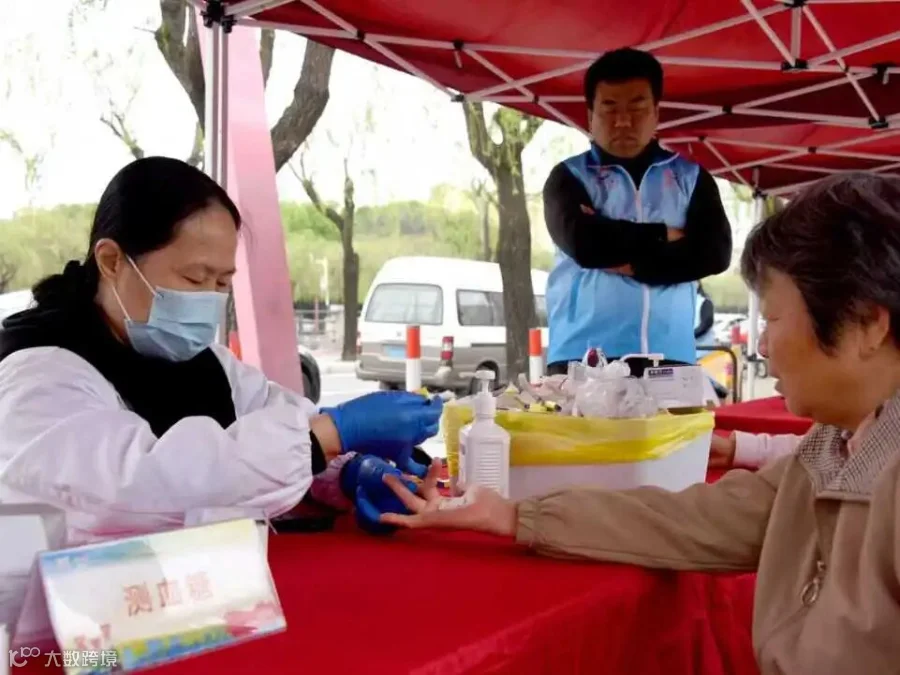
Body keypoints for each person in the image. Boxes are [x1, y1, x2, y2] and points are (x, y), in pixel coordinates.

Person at [380, 173, 900, 674]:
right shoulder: (833, 446)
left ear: (867, 323)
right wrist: (513, 515)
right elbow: (699, 518)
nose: (762, 346)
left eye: (776, 319)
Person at [0, 156, 442, 545]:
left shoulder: (206, 365)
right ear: (112, 261)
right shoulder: (39, 373)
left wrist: (347, 471)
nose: (209, 298)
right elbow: (138, 488)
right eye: (194, 278)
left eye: (222, 282)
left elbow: (274, 428)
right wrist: (327, 436)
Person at [543, 48, 731, 376]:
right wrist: (665, 235)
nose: (623, 121)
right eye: (609, 108)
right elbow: (585, 244)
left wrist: (635, 264)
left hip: (671, 354)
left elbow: (713, 254)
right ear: (590, 115)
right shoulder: (569, 177)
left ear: (656, 112)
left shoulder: (691, 179)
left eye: (637, 108)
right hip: (582, 356)